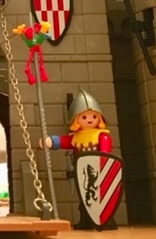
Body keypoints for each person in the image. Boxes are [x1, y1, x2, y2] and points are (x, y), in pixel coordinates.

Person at [41, 89, 117, 230]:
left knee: (102, 199)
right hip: (82, 173)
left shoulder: (102, 136)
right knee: (84, 198)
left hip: (99, 173)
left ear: (99, 118)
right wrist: (51, 141)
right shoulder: (76, 138)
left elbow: (106, 155)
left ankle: (107, 221)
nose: (89, 120)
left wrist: (103, 165)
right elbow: (64, 142)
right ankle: (86, 221)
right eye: (84, 117)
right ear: (76, 120)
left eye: (93, 116)